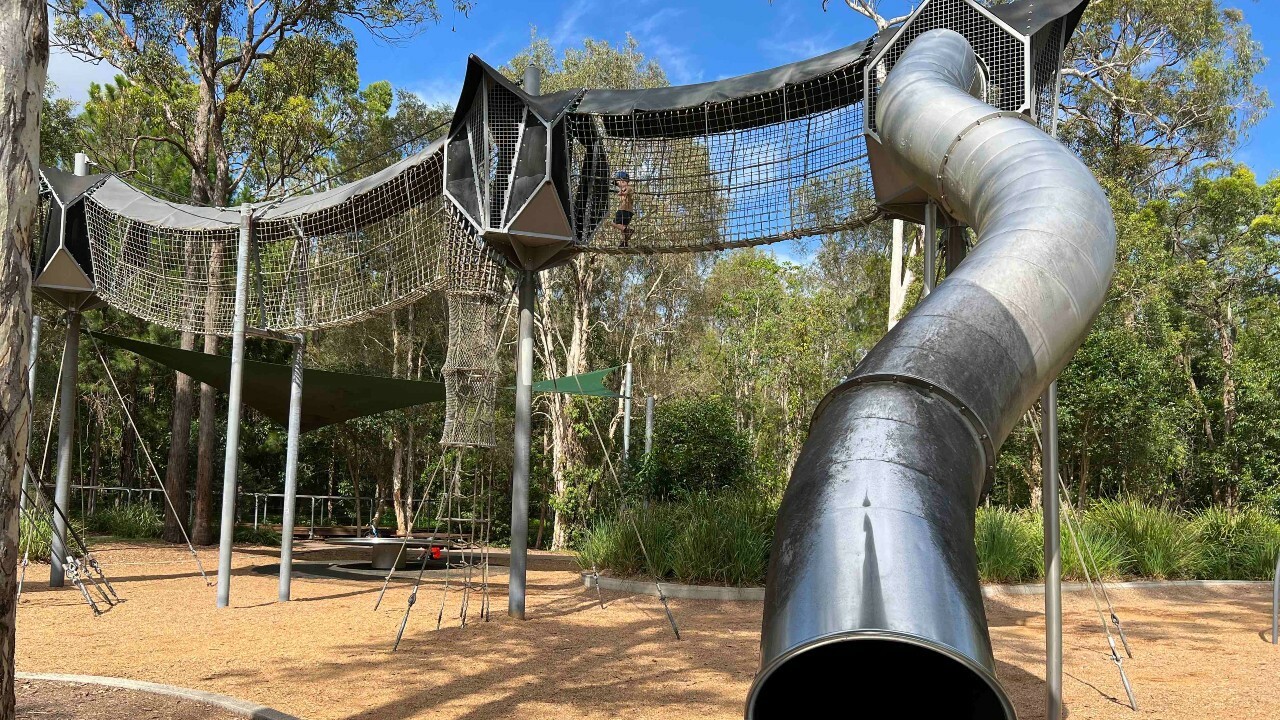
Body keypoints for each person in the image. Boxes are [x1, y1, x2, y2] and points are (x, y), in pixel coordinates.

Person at [612, 170, 635, 246]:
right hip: (628, 212)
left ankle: (627, 230)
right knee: (622, 228)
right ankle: (624, 243)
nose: (618, 185)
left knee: (614, 223)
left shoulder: (629, 187)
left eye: (618, 183)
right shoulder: (622, 189)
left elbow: (625, 192)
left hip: (624, 210)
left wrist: (621, 193)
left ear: (623, 181)